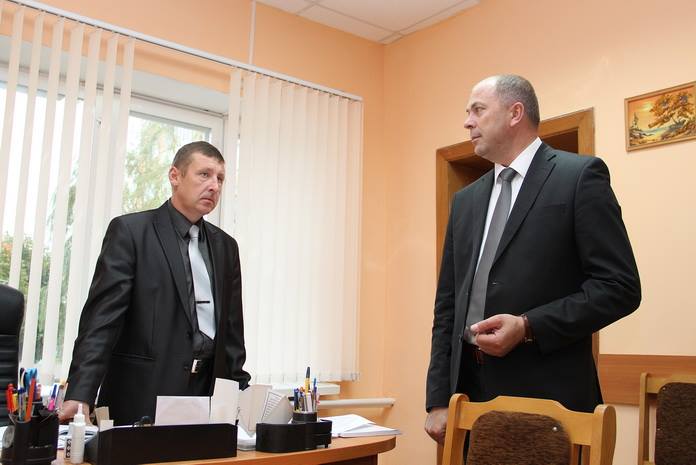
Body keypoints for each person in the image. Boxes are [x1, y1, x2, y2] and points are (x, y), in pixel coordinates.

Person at [424, 75, 641, 444]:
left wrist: (528, 326)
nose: (467, 122)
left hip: (548, 397)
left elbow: (620, 287)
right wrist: (438, 398)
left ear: (515, 113)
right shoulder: (465, 201)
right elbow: (447, 305)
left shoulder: (579, 177)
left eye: (478, 110)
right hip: (469, 397)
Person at [59, 141, 250, 425]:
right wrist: (80, 392)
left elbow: (232, 333)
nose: (214, 186)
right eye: (204, 174)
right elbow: (102, 321)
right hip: (142, 396)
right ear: (175, 176)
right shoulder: (131, 232)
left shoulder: (226, 247)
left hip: (208, 398)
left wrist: (243, 394)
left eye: (220, 178)